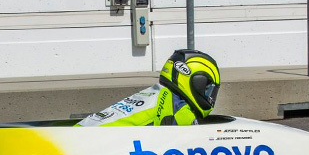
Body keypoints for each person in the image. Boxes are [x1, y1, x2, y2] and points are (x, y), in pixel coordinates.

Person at [76, 49, 220, 127]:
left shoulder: (154, 93)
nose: (209, 95)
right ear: (197, 82)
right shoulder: (180, 110)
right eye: (208, 88)